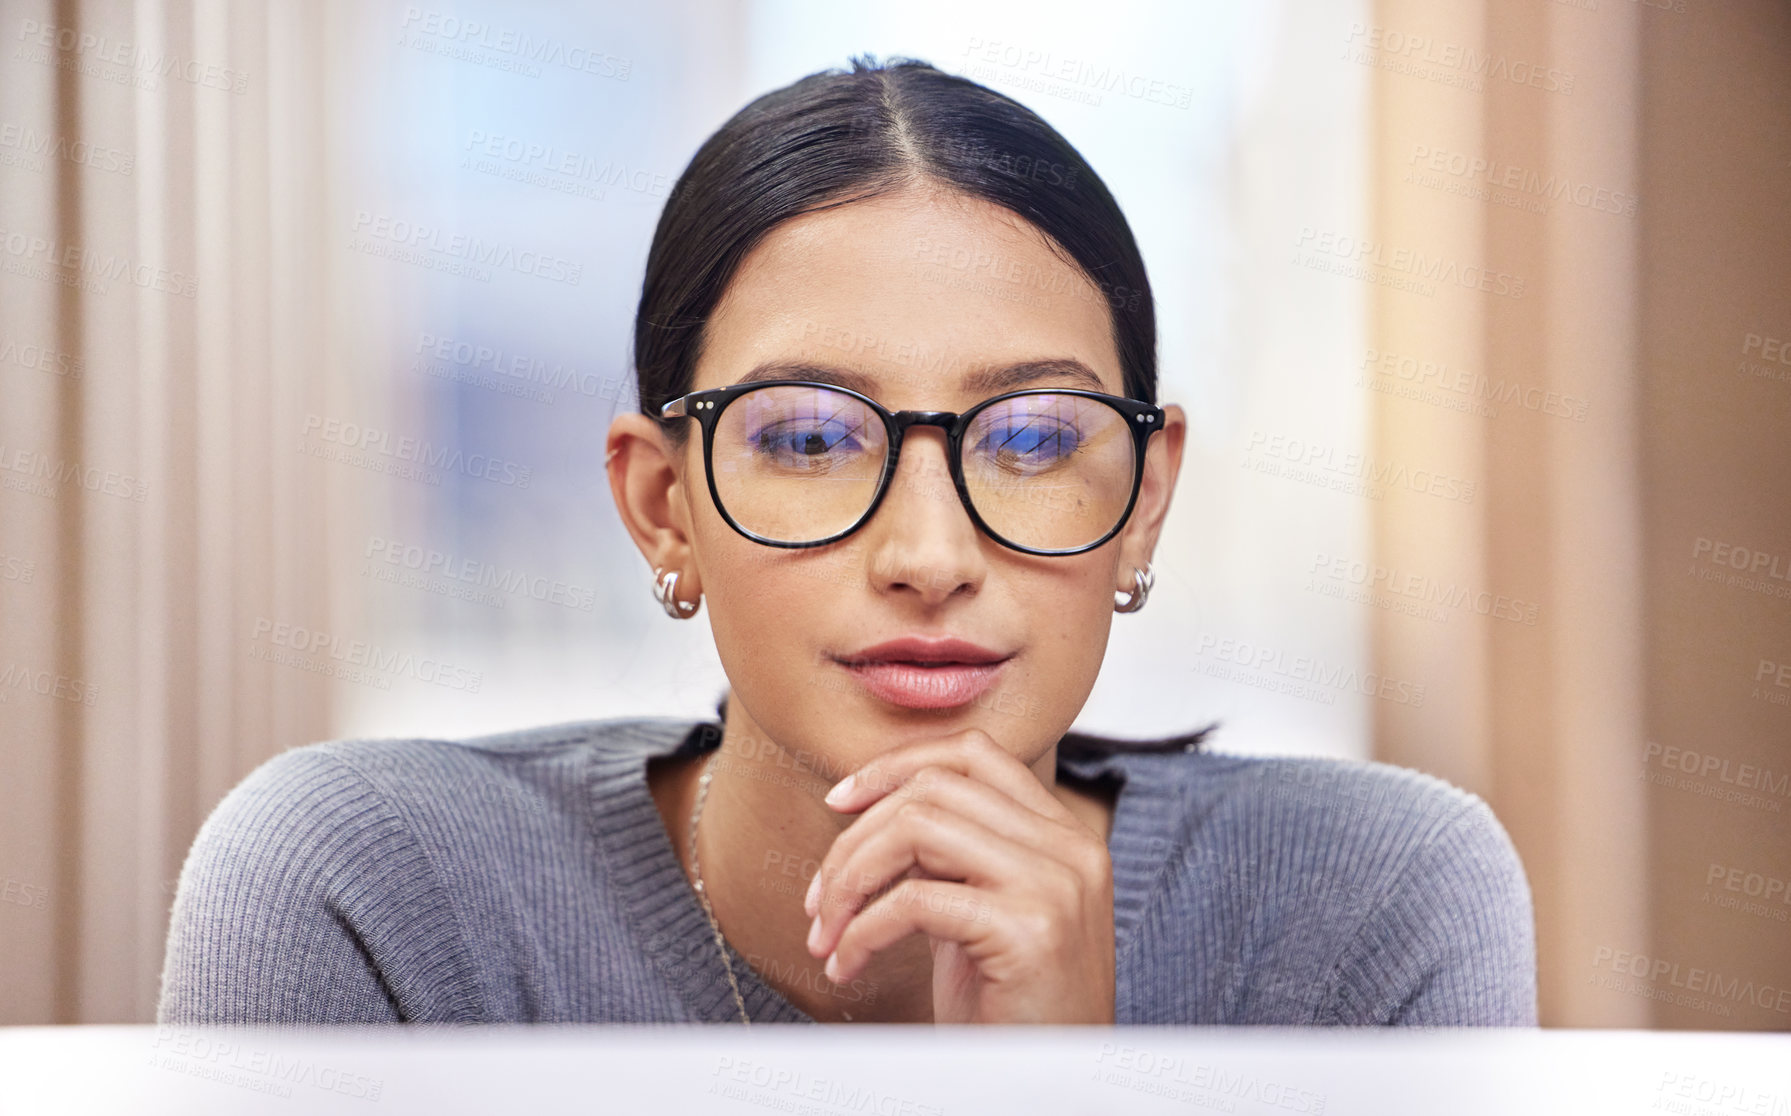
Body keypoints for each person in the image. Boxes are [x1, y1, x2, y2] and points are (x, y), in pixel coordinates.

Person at [157, 56, 1536, 1026]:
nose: (930, 555)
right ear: (662, 505)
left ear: (1147, 499)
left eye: (1037, 440)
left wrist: (1063, 1083)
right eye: (811, 441)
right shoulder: (372, 896)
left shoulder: (1372, 909)